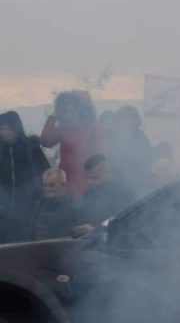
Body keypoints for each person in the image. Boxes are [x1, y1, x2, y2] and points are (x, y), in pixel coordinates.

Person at [41, 90, 103, 199]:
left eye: (73, 111)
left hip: (85, 183)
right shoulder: (64, 129)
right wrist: (53, 116)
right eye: (66, 112)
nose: (69, 115)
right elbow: (46, 141)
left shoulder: (93, 129)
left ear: (82, 111)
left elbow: (100, 156)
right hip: (66, 184)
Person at [0, 111, 50, 242]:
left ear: (17, 129)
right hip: (3, 209)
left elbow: (45, 171)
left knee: (24, 241)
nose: (5, 133)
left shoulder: (30, 147)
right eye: (2, 129)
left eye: (9, 129)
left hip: (28, 207)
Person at [72, 155, 136, 237]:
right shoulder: (89, 193)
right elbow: (82, 218)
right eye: (87, 178)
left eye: (94, 178)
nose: (89, 182)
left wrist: (95, 231)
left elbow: (122, 225)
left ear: (107, 172)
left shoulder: (123, 194)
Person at [107, 105, 153, 194]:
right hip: (115, 187)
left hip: (136, 187)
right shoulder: (112, 139)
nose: (124, 124)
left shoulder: (142, 141)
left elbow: (145, 166)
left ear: (135, 123)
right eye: (121, 121)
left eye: (127, 121)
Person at [30, 168, 77, 240]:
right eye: (45, 185)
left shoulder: (73, 208)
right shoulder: (39, 205)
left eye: (52, 185)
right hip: (36, 249)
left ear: (63, 185)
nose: (47, 189)